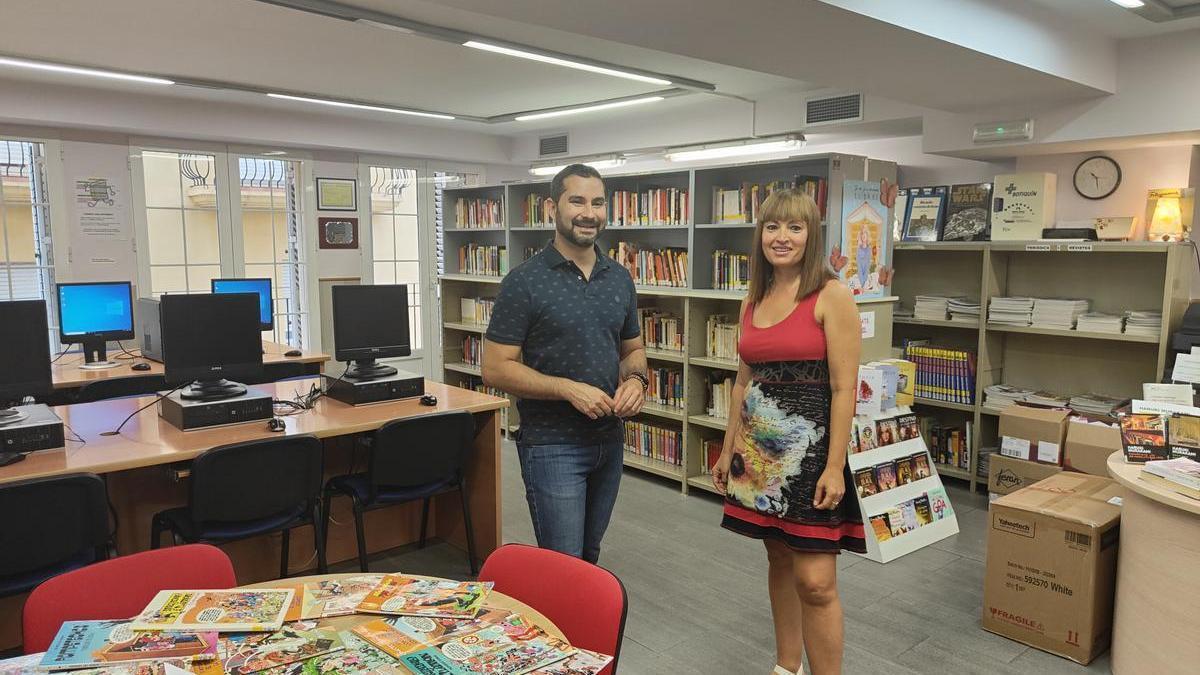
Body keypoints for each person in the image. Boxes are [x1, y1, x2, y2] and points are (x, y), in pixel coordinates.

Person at [712, 189, 865, 675]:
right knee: (778, 557)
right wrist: (726, 447)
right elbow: (742, 382)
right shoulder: (751, 300)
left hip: (813, 454)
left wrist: (835, 467)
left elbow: (844, 390)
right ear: (759, 235)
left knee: (817, 581)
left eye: (794, 228)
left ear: (811, 235)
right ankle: (786, 666)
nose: (781, 237)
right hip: (757, 454)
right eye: (772, 227)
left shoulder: (832, 294)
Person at [481, 163, 648, 564]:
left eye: (597, 202)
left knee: (589, 559)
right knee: (563, 563)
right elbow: (495, 368)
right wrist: (567, 388)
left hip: (609, 441)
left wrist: (638, 381)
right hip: (553, 444)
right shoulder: (525, 282)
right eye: (577, 201)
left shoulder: (619, 278)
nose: (589, 213)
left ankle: (582, 630)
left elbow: (632, 351)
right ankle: (555, 629)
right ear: (551, 207)